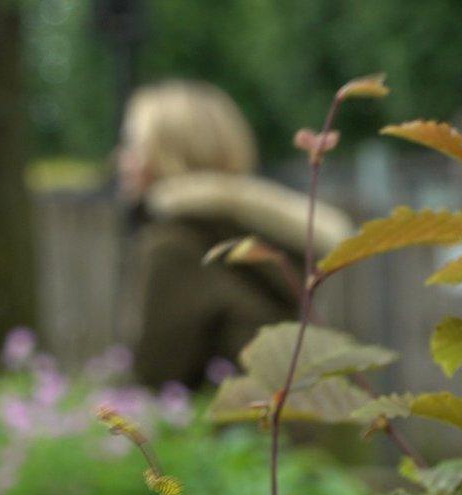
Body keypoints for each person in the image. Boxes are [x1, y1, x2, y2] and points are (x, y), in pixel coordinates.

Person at [117, 80, 352, 388]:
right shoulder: (262, 235)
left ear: (168, 154)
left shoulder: (174, 245)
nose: (121, 160)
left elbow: (155, 376)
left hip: (226, 430)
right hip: (285, 427)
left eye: (132, 146)